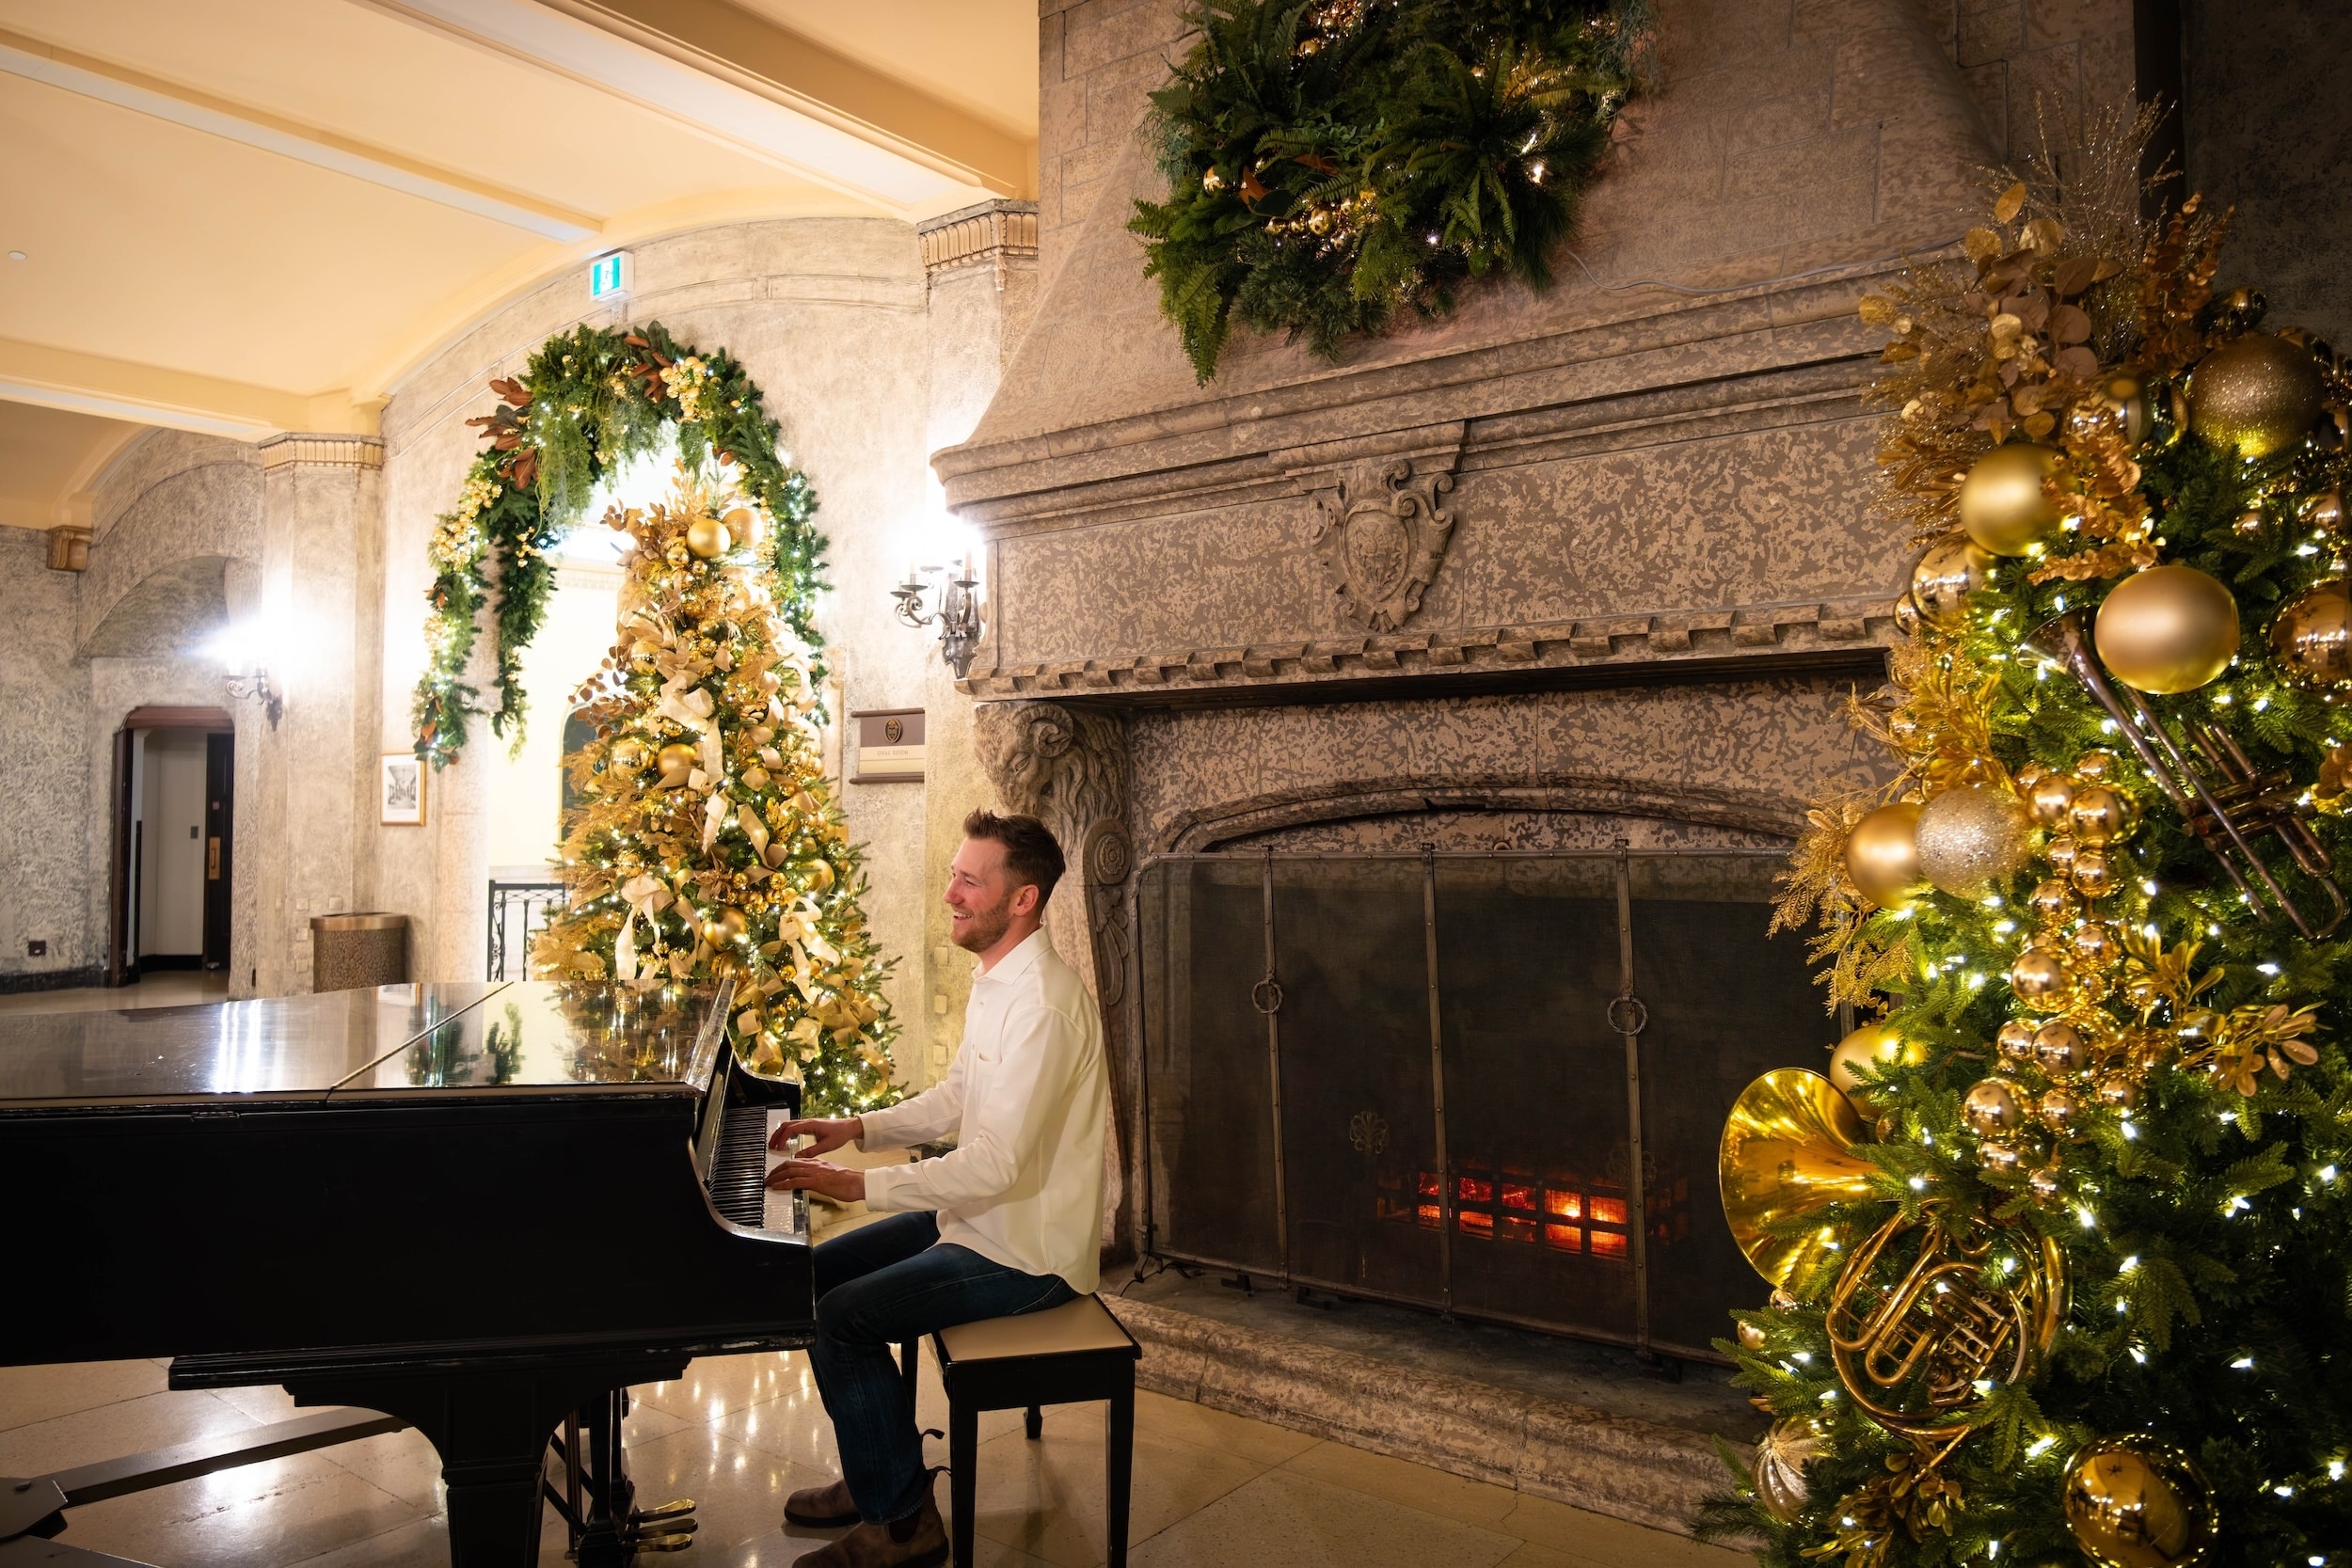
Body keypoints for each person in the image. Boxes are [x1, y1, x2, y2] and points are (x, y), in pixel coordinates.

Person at [764, 809, 1107, 1568]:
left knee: (837, 1318)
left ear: (1022, 899)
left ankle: (903, 1523)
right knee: (811, 1279)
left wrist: (858, 1183)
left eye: (969, 880)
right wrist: (855, 1126)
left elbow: (995, 1164)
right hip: (976, 1220)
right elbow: (956, 1095)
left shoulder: (1043, 1005)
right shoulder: (1001, 977)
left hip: (1028, 1250)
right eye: (954, 873)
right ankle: (879, 1472)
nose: (950, 891)